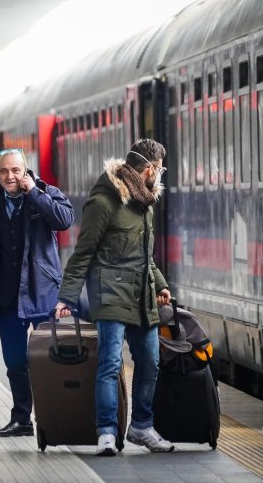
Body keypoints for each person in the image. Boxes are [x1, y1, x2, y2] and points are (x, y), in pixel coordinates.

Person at [55, 139, 175, 456]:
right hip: (109, 292)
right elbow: (83, 254)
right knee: (109, 363)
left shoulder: (144, 201)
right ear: (149, 169)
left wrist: (160, 284)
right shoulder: (104, 202)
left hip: (142, 294)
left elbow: (145, 256)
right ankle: (106, 432)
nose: (160, 175)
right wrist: (66, 298)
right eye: (159, 169)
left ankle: (141, 427)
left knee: (150, 362)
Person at [0, 149, 73, 436]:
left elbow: (64, 221)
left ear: (25, 170)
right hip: (5, 297)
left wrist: (34, 194)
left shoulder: (45, 193)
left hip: (41, 293)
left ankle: (54, 418)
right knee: (14, 362)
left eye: (15, 170)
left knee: (47, 361)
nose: (9, 176)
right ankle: (22, 419)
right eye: (4, 171)